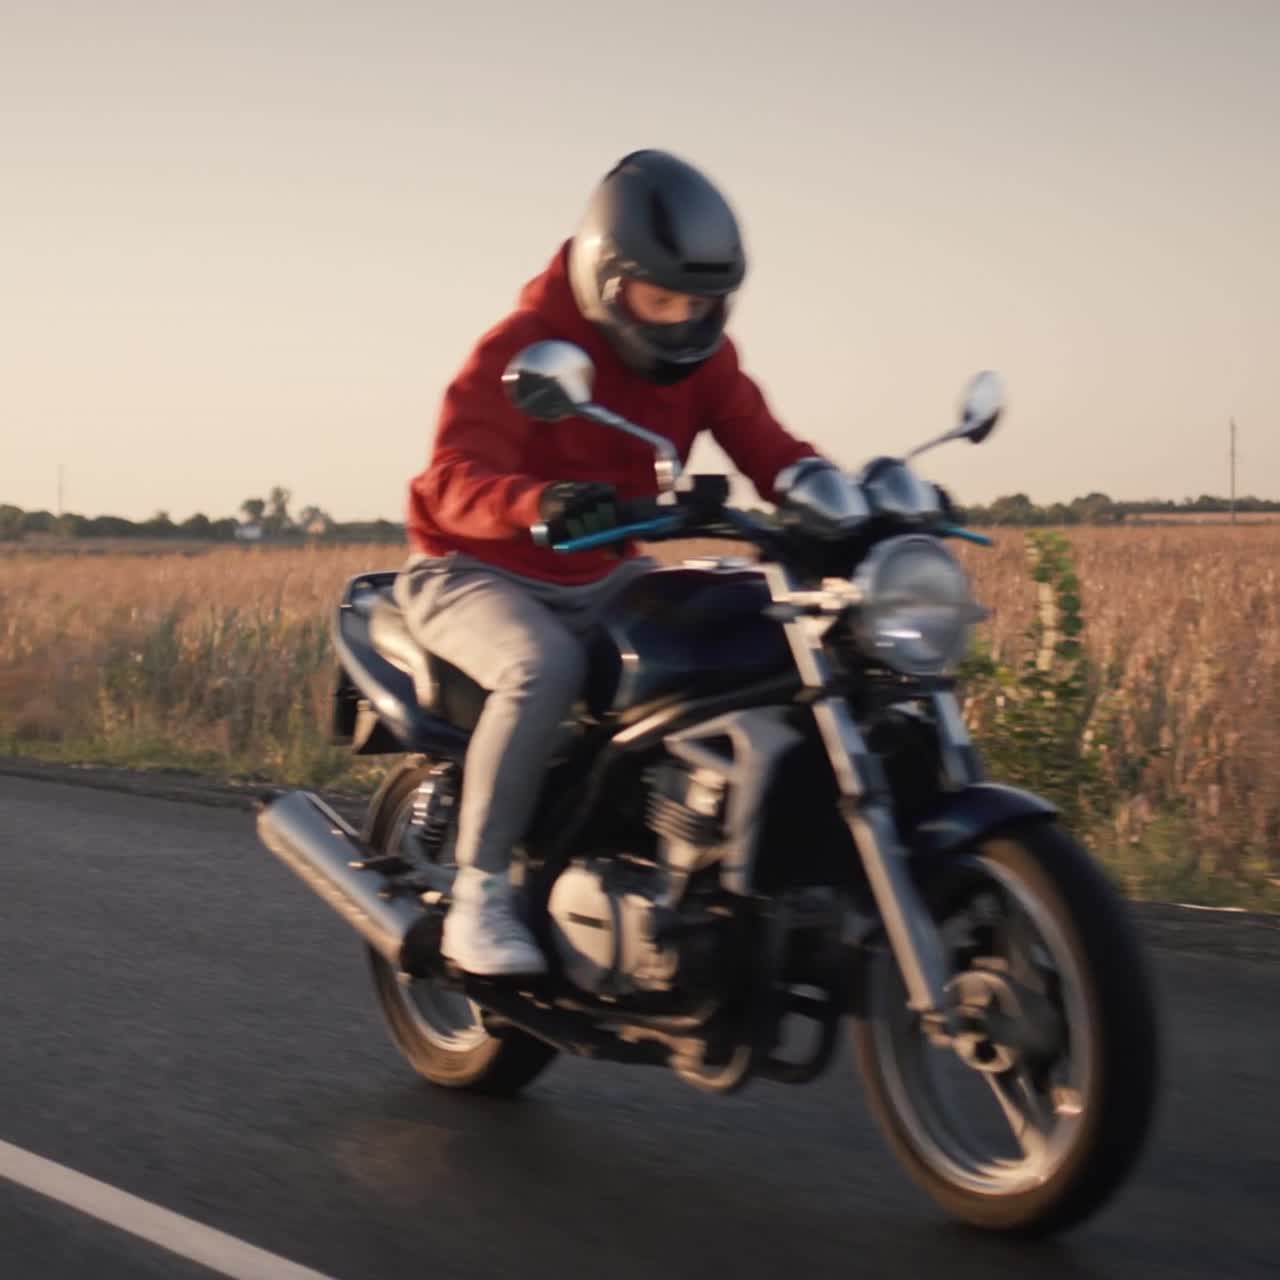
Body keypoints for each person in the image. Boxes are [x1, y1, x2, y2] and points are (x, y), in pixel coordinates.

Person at [396, 149, 832, 976]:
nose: (678, 319)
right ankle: (479, 895)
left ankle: (706, 865)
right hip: (472, 570)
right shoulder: (526, 347)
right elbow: (450, 479)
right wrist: (539, 503)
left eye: (698, 303)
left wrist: (840, 495)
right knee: (541, 667)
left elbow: (768, 447)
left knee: (754, 630)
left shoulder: (706, 358)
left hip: (601, 571)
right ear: (606, 277)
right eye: (658, 298)